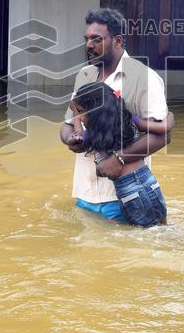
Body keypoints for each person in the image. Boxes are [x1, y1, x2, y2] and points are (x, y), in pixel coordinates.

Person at [59, 8, 171, 222]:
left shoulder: (144, 78)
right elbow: (69, 122)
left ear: (118, 41)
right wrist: (72, 139)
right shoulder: (84, 76)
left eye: (96, 39)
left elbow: (163, 135)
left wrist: (119, 158)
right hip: (84, 192)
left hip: (124, 196)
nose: (88, 45)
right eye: (86, 39)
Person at [68, 82, 173, 226]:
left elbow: (78, 139)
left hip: (129, 191)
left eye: (80, 112)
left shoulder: (95, 133)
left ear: (93, 112)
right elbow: (163, 128)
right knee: (162, 229)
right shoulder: (130, 119)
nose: (80, 116)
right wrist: (170, 115)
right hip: (150, 183)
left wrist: (75, 117)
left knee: (135, 236)